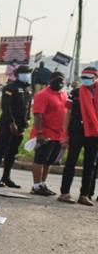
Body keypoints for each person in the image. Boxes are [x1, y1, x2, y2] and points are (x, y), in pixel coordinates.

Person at [58, 67, 98, 205]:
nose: (86, 80)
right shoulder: (74, 93)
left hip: (94, 133)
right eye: (84, 78)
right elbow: (68, 114)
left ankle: (84, 195)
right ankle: (64, 193)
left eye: (89, 78)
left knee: (90, 164)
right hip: (77, 131)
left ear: (95, 78)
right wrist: (64, 133)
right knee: (71, 162)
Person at [0, 64, 32, 187]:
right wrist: (11, 122)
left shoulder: (27, 89)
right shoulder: (10, 87)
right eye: (25, 73)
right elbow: (6, 106)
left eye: (29, 73)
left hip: (21, 125)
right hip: (8, 124)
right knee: (1, 150)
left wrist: (27, 120)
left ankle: (6, 177)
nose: (27, 75)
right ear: (18, 75)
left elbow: (27, 107)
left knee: (12, 152)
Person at [28, 72, 68, 196]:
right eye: (56, 80)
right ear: (50, 80)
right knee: (40, 159)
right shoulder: (43, 95)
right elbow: (38, 115)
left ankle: (42, 184)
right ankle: (36, 186)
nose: (59, 83)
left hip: (58, 134)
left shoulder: (64, 94)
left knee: (49, 161)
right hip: (45, 133)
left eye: (62, 80)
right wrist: (39, 134)